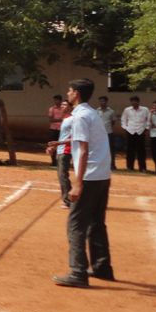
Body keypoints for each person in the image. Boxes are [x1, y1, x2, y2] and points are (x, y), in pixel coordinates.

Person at [53, 78, 114, 288]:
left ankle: (78, 272)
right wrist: (61, 142)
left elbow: (85, 149)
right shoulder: (92, 113)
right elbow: (88, 140)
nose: (67, 94)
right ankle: (102, 267)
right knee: (96, 222)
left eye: (69, 91)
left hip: (89, 176)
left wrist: (77, 184)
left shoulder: (79, 116)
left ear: (76, 93)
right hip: (102, 175)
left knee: (75, 224)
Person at [46, 101, 73, 207]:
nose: (62, 106)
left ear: (71, 107)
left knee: (63, 175)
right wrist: (54, 147)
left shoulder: (72, 120)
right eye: (61, 105)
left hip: (67, 150)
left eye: (65, 105)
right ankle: (69, 198)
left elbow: (75, 136)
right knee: (62, 176)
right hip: (61, 149)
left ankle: (69, 200)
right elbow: (63, 137)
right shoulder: (65, 120)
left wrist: (58, 144)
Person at [120, 96, 149, 172]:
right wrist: (125, 127)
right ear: (131, 102)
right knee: (130, 150)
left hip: (140, 131)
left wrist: (146, 128)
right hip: (130, 131)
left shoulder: (145, 109)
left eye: (135, 101)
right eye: (132, 101)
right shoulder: (127, 110)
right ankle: (130, 167)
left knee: (141, 151)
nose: (134, 103)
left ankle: (142, 168)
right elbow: (123, 119)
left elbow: (148, 119)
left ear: (138, 102)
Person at [96, 96, 118, 170]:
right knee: (99, 150)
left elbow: (113, 122)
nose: (102, 102)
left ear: (106, 102)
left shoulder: (111, 111)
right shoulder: (96, 111)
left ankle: (112, 165)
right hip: (99, 134)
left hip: (109, 133)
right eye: (101, 101)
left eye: (103, 101)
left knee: (110, 150)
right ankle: (100, 165)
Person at [47, 94, 66, 167]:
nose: (56, 101)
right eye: (55, 100)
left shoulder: (63, 109)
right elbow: (50, 120)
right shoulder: (52, 109)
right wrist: (60, 119)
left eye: (57, 100)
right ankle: (53, 161)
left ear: (60, 100)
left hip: (62, 130)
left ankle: (60, 161)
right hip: (53, 129)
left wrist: (57, 120)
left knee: (61, 145)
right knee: (52, 145)